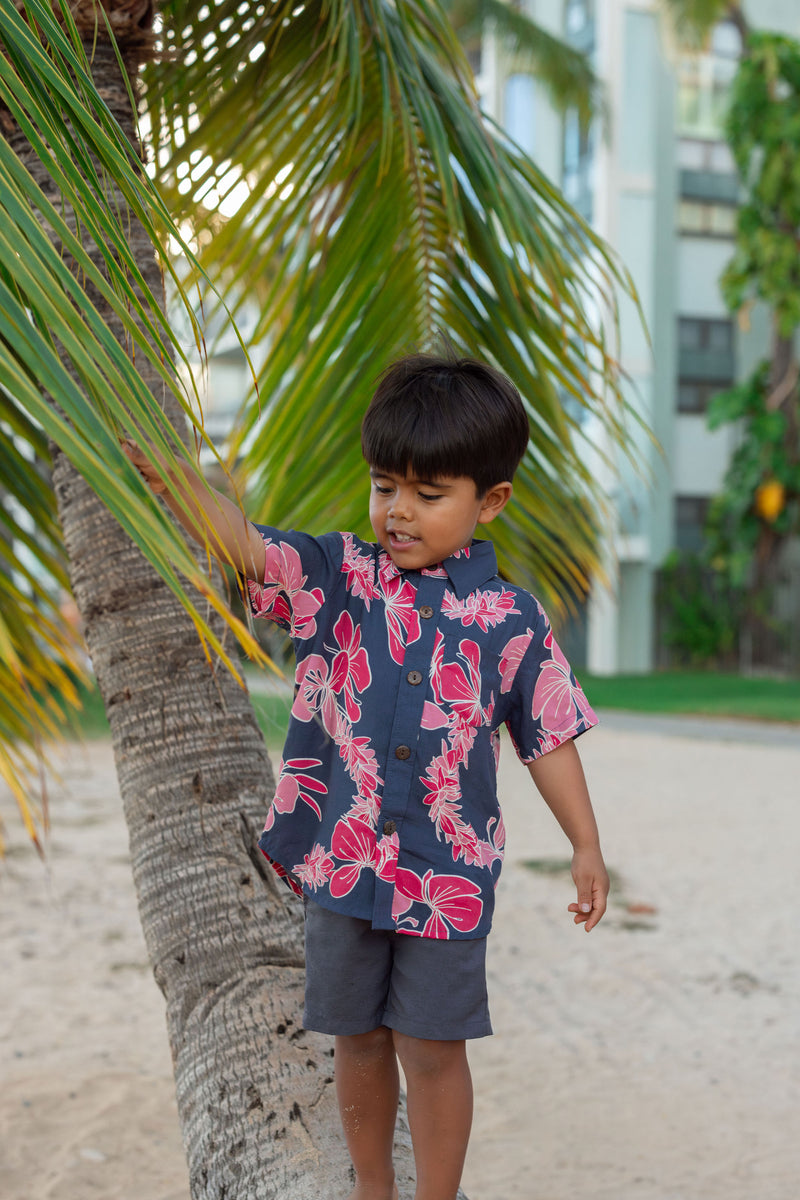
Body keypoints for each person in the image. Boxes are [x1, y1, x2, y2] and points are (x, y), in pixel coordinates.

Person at [123, 352, 609, 1200]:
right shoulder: (341, 578)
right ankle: (372, 1189)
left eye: (429, 495)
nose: (399, 512)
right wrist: (178, 483)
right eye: (386, 487)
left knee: (431, 1047)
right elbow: (249, 546)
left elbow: (550, 735)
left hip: (445, 879)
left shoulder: (511, 619)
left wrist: (585, 845)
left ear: (488, 500)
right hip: (343, 867)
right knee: (355, 1038)